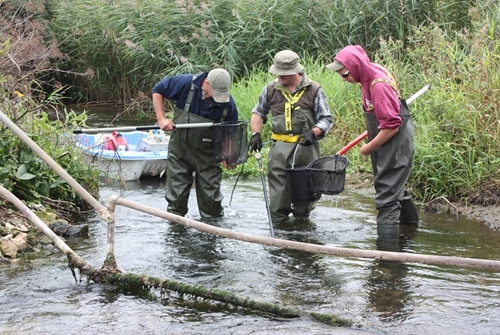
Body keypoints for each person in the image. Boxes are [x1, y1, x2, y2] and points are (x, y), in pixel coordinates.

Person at [326, 45, 419, 244]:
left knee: (386, 195)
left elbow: (392, 126)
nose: (344, 79)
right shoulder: (366, 76)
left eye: (345, 75)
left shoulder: (378, 86)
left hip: (394, 140)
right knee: (394, 186)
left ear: (356, 66)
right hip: (384, 137)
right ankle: (411, 229)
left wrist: (368, 147)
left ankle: (386, 259)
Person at [250, 50, 334, 222]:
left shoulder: (314, 89)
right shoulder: (271, 89)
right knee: (278, 199)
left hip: (306, 151)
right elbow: (258, 112)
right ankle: (280, 236)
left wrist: (314, 132)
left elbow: (326, 118)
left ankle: (301, 234)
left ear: (296, 71)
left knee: (304, 202)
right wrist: (255, 134)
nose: (280, 76)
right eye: (278, 73)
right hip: (279, 151)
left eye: (284, 74)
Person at [152, 68, 238, 218]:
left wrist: (227, 155)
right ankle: (176, 233)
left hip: (208, 157)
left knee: (211, 204)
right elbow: (158, 90)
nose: (219, 98)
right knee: (176, 202)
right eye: (215, 93)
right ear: (206, 83)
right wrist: (162, 118)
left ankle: (212, 234)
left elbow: (229, 133)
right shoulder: (186, 84)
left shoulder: (229, 105)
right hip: (180, 153)